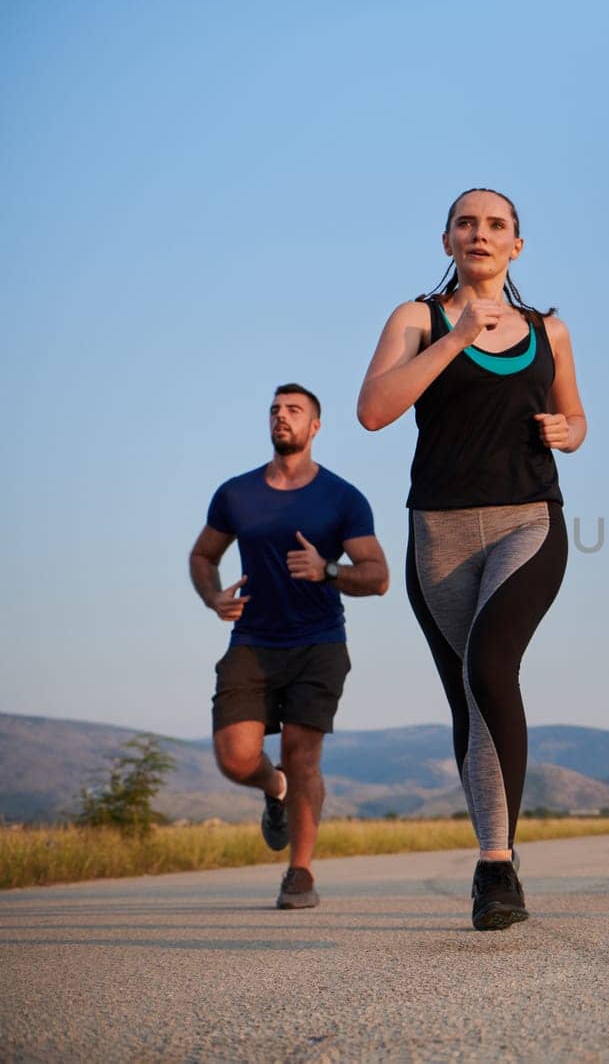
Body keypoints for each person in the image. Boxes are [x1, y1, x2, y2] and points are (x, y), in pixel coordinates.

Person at [357, 188, 586, 931]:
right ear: (447, 238)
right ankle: (501, 857)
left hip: (528, 518)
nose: (480, 233)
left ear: (517, 245)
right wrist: (455, 338)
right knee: (468, 693)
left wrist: (566, 429)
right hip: (439, 529)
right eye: (467, 223)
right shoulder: (416, 318)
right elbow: (373, 410)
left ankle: (494, 864)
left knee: (490, 664)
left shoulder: (550, 328)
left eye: (496, 225)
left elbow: (577, 418)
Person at [189, 383, 389, 909]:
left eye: (294, 410)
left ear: (315, 426)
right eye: (275, 409)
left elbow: (379, 576)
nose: (282, 416)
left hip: (318, 643)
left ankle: (299, 872)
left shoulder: (342, 498)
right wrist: (214, 597)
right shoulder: (236, 494)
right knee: (235, 759)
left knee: (303, 755)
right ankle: (273, 789)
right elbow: (203, 556)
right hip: (252, 641)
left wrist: (326, 570)